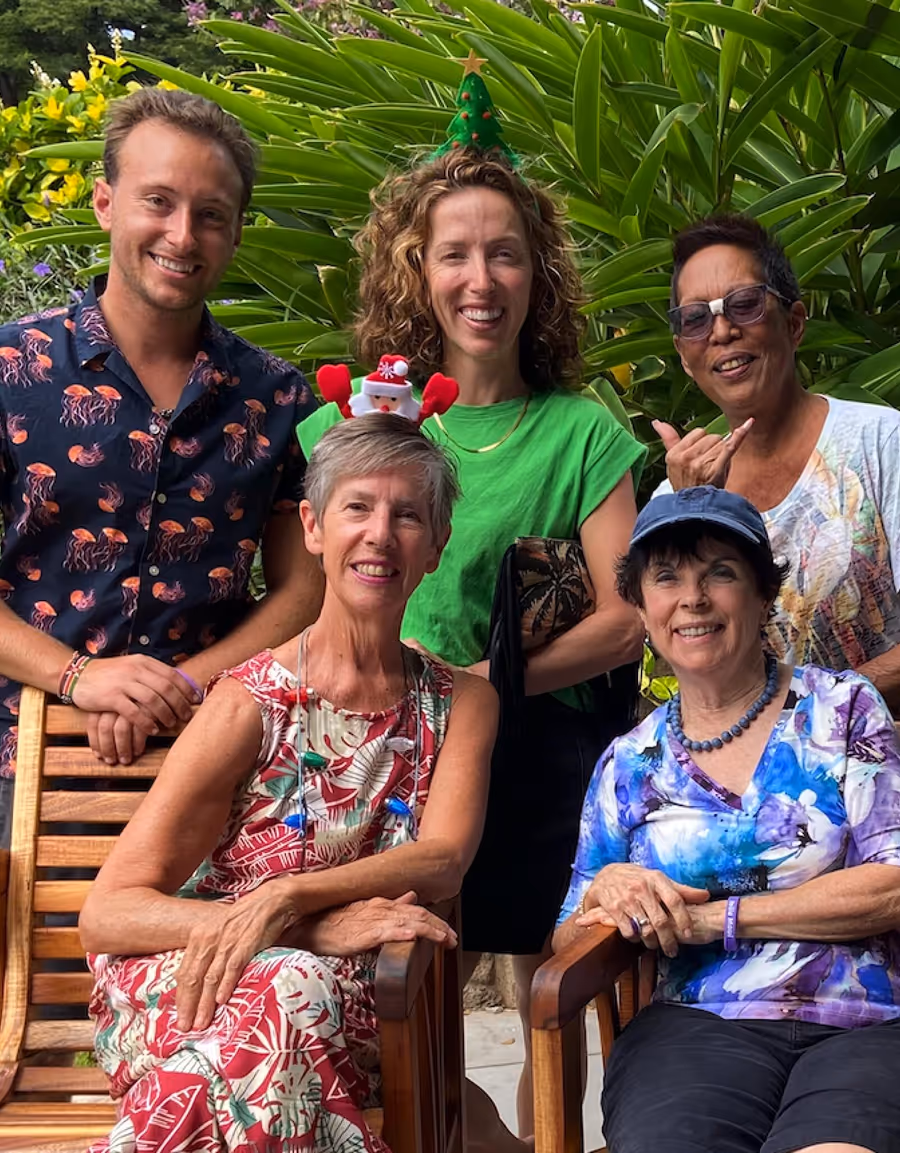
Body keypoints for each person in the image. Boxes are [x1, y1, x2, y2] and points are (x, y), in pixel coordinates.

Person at [79, 414, 497, 1153]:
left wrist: (287, 897)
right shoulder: (247, 702)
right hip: (197, 984)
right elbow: (108, 912)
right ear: (313, 527)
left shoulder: (461, 701)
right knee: (286, 987)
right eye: (357, 507)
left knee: (290, 990)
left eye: (407, 516)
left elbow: (441, 859)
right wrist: (293, 924)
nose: (379, 534)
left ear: (436, 546)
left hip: (356, 997)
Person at [351, 147, 645, 1137]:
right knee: (409, 1025)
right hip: (397, 754)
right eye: (455, 254)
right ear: (416, 270)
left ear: (538, 272)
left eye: (506, 253)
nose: (481, 280)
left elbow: (627, 616)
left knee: (544, 1008)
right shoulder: (370, 421)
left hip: (537, 756)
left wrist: (488, 681)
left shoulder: (580, 431)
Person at [0, 87, 322, 846]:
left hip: (211, 760)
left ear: (235, 234)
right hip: (23, 761)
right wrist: (81, 676)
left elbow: (304, 591)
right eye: (158, 201)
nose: (182, 234)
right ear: (105, 202)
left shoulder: (276, 398)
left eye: (210, 214)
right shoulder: (12, 367)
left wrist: (182, 684)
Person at [555, 484, 900, 1153]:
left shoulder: (843, 710)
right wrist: (604, 894)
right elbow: (567, 939)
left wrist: (714, 920)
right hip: (696, 1027)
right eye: (666, 577)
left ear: (763, 594)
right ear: (642, 607)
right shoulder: (629, 763)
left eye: (720, 572)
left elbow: (891, 882)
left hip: (864, 1020)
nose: (693, 598)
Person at [653, 213, 900, 711]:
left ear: (794, 322)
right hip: (750, 759)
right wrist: (693, 511)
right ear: (683, 355)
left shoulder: (881, 441)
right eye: (696, 318)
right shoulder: (672, 498)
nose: (722, 331)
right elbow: (680, 673)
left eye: (744, 304)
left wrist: (808, 711)